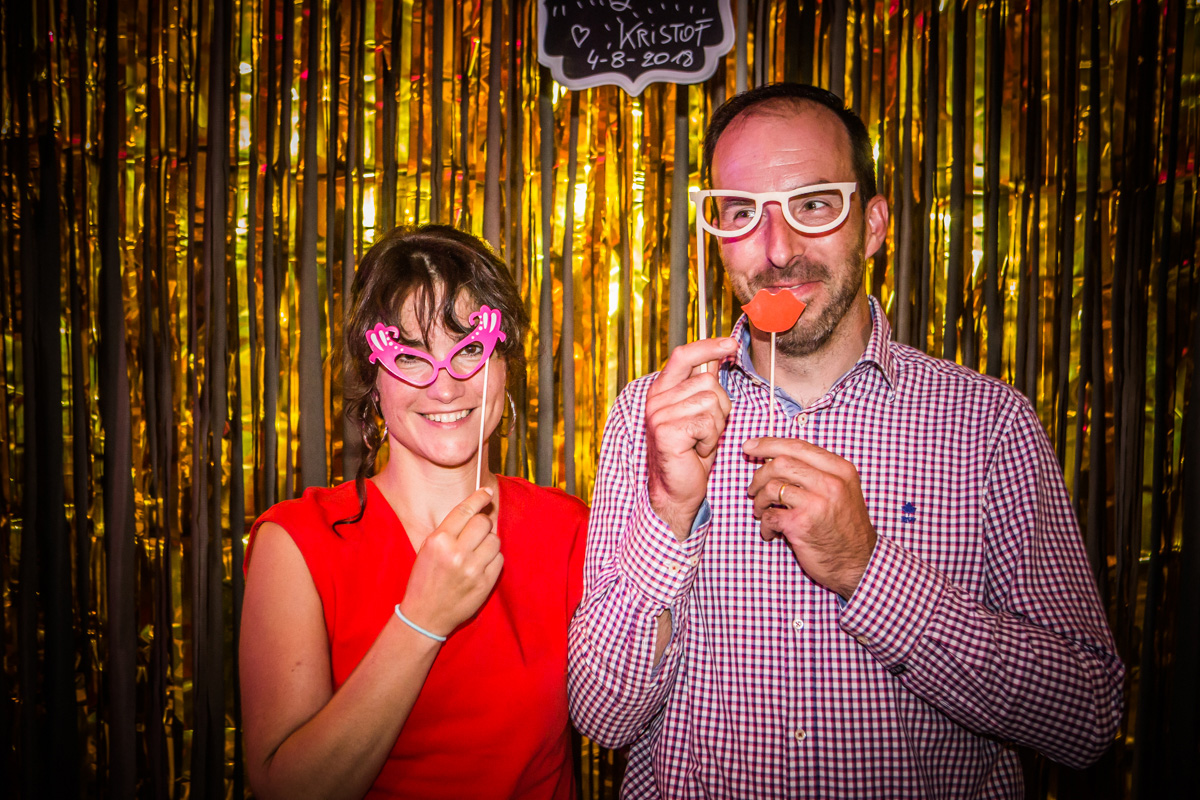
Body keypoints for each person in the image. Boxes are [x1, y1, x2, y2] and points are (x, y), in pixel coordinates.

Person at [567, 84, 1124, 798]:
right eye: (742, 213)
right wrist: (671, 514)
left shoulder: (988, 425)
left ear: (874, 225)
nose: (778, 250)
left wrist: (866, 570)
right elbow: (603, 716)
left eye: (814, 205)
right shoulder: (648, 418)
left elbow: (1087, 717)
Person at [240, 225, 588, 799]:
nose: (445, 387)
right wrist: (421, 621)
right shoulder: (297, 542)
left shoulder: (568, 527)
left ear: (505, 363)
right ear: (373, 378)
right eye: (409, 357)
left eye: (469, 349)